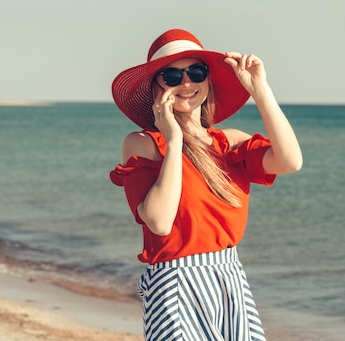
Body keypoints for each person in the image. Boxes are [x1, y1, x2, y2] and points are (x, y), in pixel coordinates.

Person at [109, 28, 302, 341]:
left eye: (196, 72)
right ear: (156, 88)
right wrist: (173, 141)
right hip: (173, 285)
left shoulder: (229, 143)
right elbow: (158, 222)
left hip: (229, 281)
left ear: (208, 80)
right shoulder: (144, 145)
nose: (187, 83)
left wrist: (260, 90)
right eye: (172, 76)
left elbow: (291, 161)